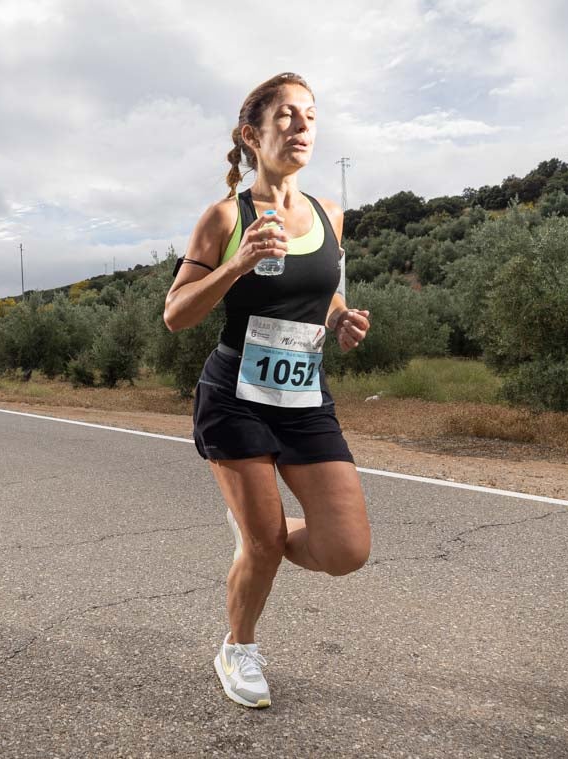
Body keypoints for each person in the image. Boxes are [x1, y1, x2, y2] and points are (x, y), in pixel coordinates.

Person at [163, 72, 373, 709]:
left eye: (310, 115)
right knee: (263, 545)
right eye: (287, 116)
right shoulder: (228, 215)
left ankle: (261, 533)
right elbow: (176, 314)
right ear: (253, 135)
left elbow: (317, 291)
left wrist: (339, 317)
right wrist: (237, 262)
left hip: (305, 395)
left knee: (346, 550)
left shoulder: (329, 214)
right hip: (235, 396)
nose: (303, 126)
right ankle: (239, 648)